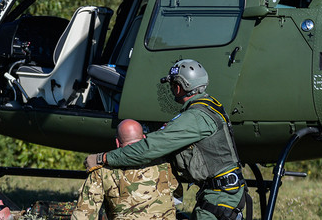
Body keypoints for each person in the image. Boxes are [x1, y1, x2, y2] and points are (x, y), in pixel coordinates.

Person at [85, 59, 248, 220]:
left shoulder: (195, 117)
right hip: (221, 194)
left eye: (172, 85)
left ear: (178, 87)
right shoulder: (208, 106)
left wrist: (104, 158)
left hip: (219, 198)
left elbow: (149, 148)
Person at [72, 119, 179, 220]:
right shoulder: (165, 163)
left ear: (117, 142)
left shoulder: (102, 170)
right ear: (144, 137)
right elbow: (177, 193)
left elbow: (85, 212)